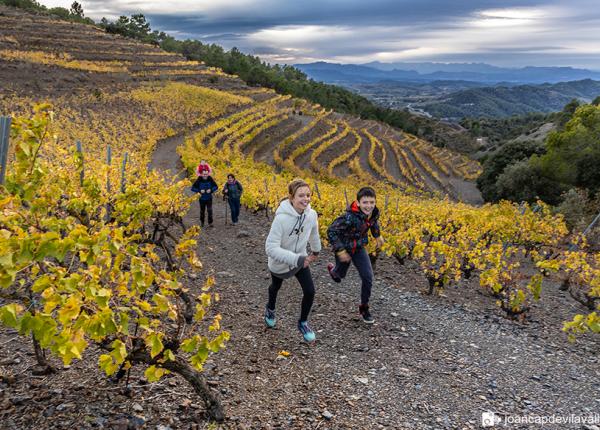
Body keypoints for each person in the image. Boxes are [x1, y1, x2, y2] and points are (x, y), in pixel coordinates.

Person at [264, 179, 322, 342]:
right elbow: (270, 248)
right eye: (301, 195)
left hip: (300, 259)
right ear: (291, 198)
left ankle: (303, 322)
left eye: (308, 195)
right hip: (280, 263)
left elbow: (313, 233)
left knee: (310, 291)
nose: (306, 199)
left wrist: (316, 250)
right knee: (276, 286)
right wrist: (297, 259)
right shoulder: (281, 219)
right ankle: (270, 308)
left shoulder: (311, 215)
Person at [326, 186, 384, 324]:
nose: (368, 206)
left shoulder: (374, 213)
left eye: (371, 202)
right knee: (340, 275)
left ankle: (364, 308)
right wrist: (340, 250)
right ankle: (334, 271)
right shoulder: (348, 217)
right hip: (344, 248)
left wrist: (377, 235)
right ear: (358, 203)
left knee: (368, 277)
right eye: (365, 202)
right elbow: (331, 231)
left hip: (358, 248)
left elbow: (373, 223)